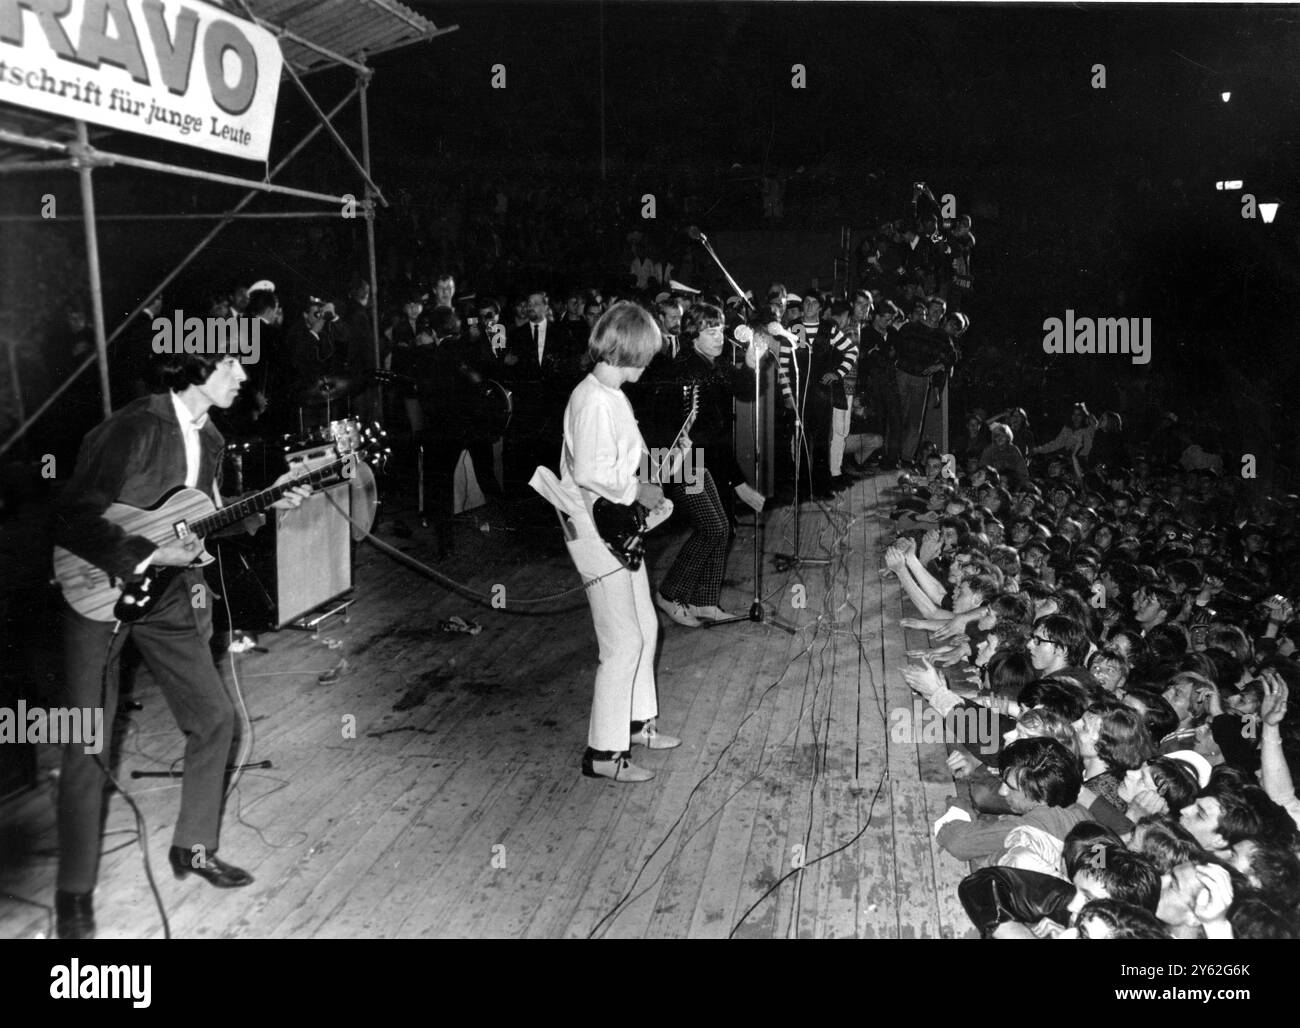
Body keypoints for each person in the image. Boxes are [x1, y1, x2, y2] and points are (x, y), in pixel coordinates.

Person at [50, 351, 312, 939]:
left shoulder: (212, 438)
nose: (243, 378)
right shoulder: (133, 427)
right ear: (195, 367)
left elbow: (201, 520)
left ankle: (192, 848)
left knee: (216, 718)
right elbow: (70, 518)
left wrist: (268, 503)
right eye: (232, 365)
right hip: (97, 590)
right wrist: (143, 555)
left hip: (169, 596)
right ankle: (73, 894)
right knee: (86, 741)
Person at [540, 302, 682, 782]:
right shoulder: (593, 399)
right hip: (596, 533)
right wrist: (639, 488)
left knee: (645, 625)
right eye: (645, 354)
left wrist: (655, 474)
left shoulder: (612, 393)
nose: (648, 363)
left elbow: (630, 453)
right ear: (626, 349)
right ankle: (603, 755)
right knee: (621, 643)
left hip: (616, 527)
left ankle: (639, 724)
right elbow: (592, 474)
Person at [654, 305, 766, 627]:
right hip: (684, 460)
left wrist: (749, 361)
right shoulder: (690, 370)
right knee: (715, 528)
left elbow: (743, 388)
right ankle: (670, 594)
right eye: (711, 331)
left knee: (723, 528)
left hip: (699, 458)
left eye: (720, 329)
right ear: (693, 336)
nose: (719, 336)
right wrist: (738, 483)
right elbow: (705, 435)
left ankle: (704, 601)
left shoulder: (709, 365)